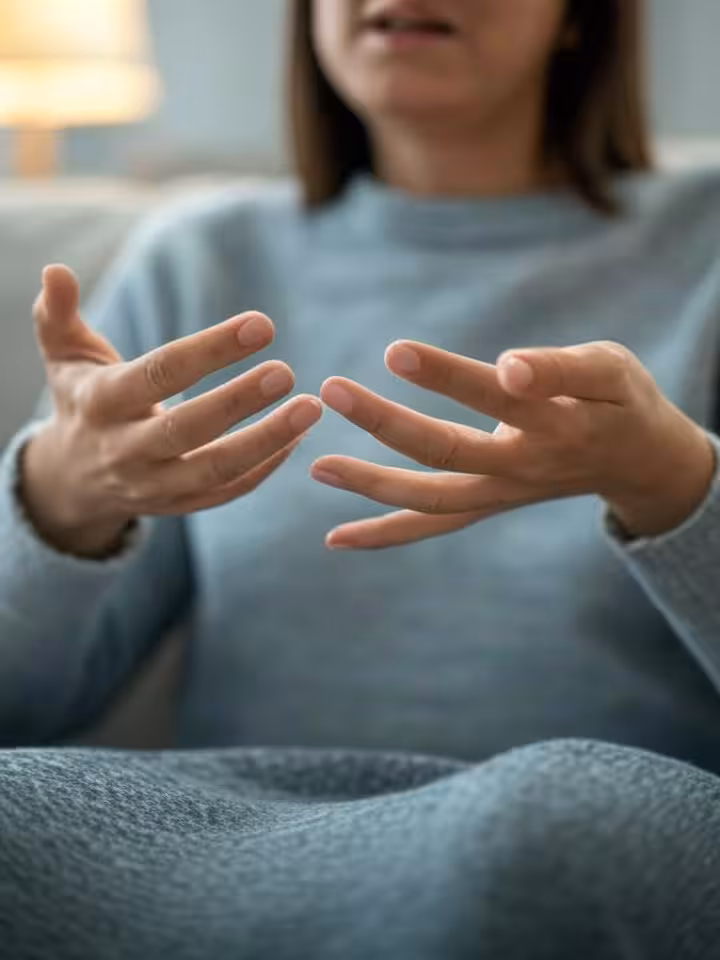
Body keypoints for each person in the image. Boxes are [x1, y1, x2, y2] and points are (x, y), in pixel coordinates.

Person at [1, 0, 720, 956]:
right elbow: (25, 710)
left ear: (580, 16)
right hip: (242, 832)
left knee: (546, 833)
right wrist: (60, 495)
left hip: (581, 819)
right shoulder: (201, 260)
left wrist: (675, 482)